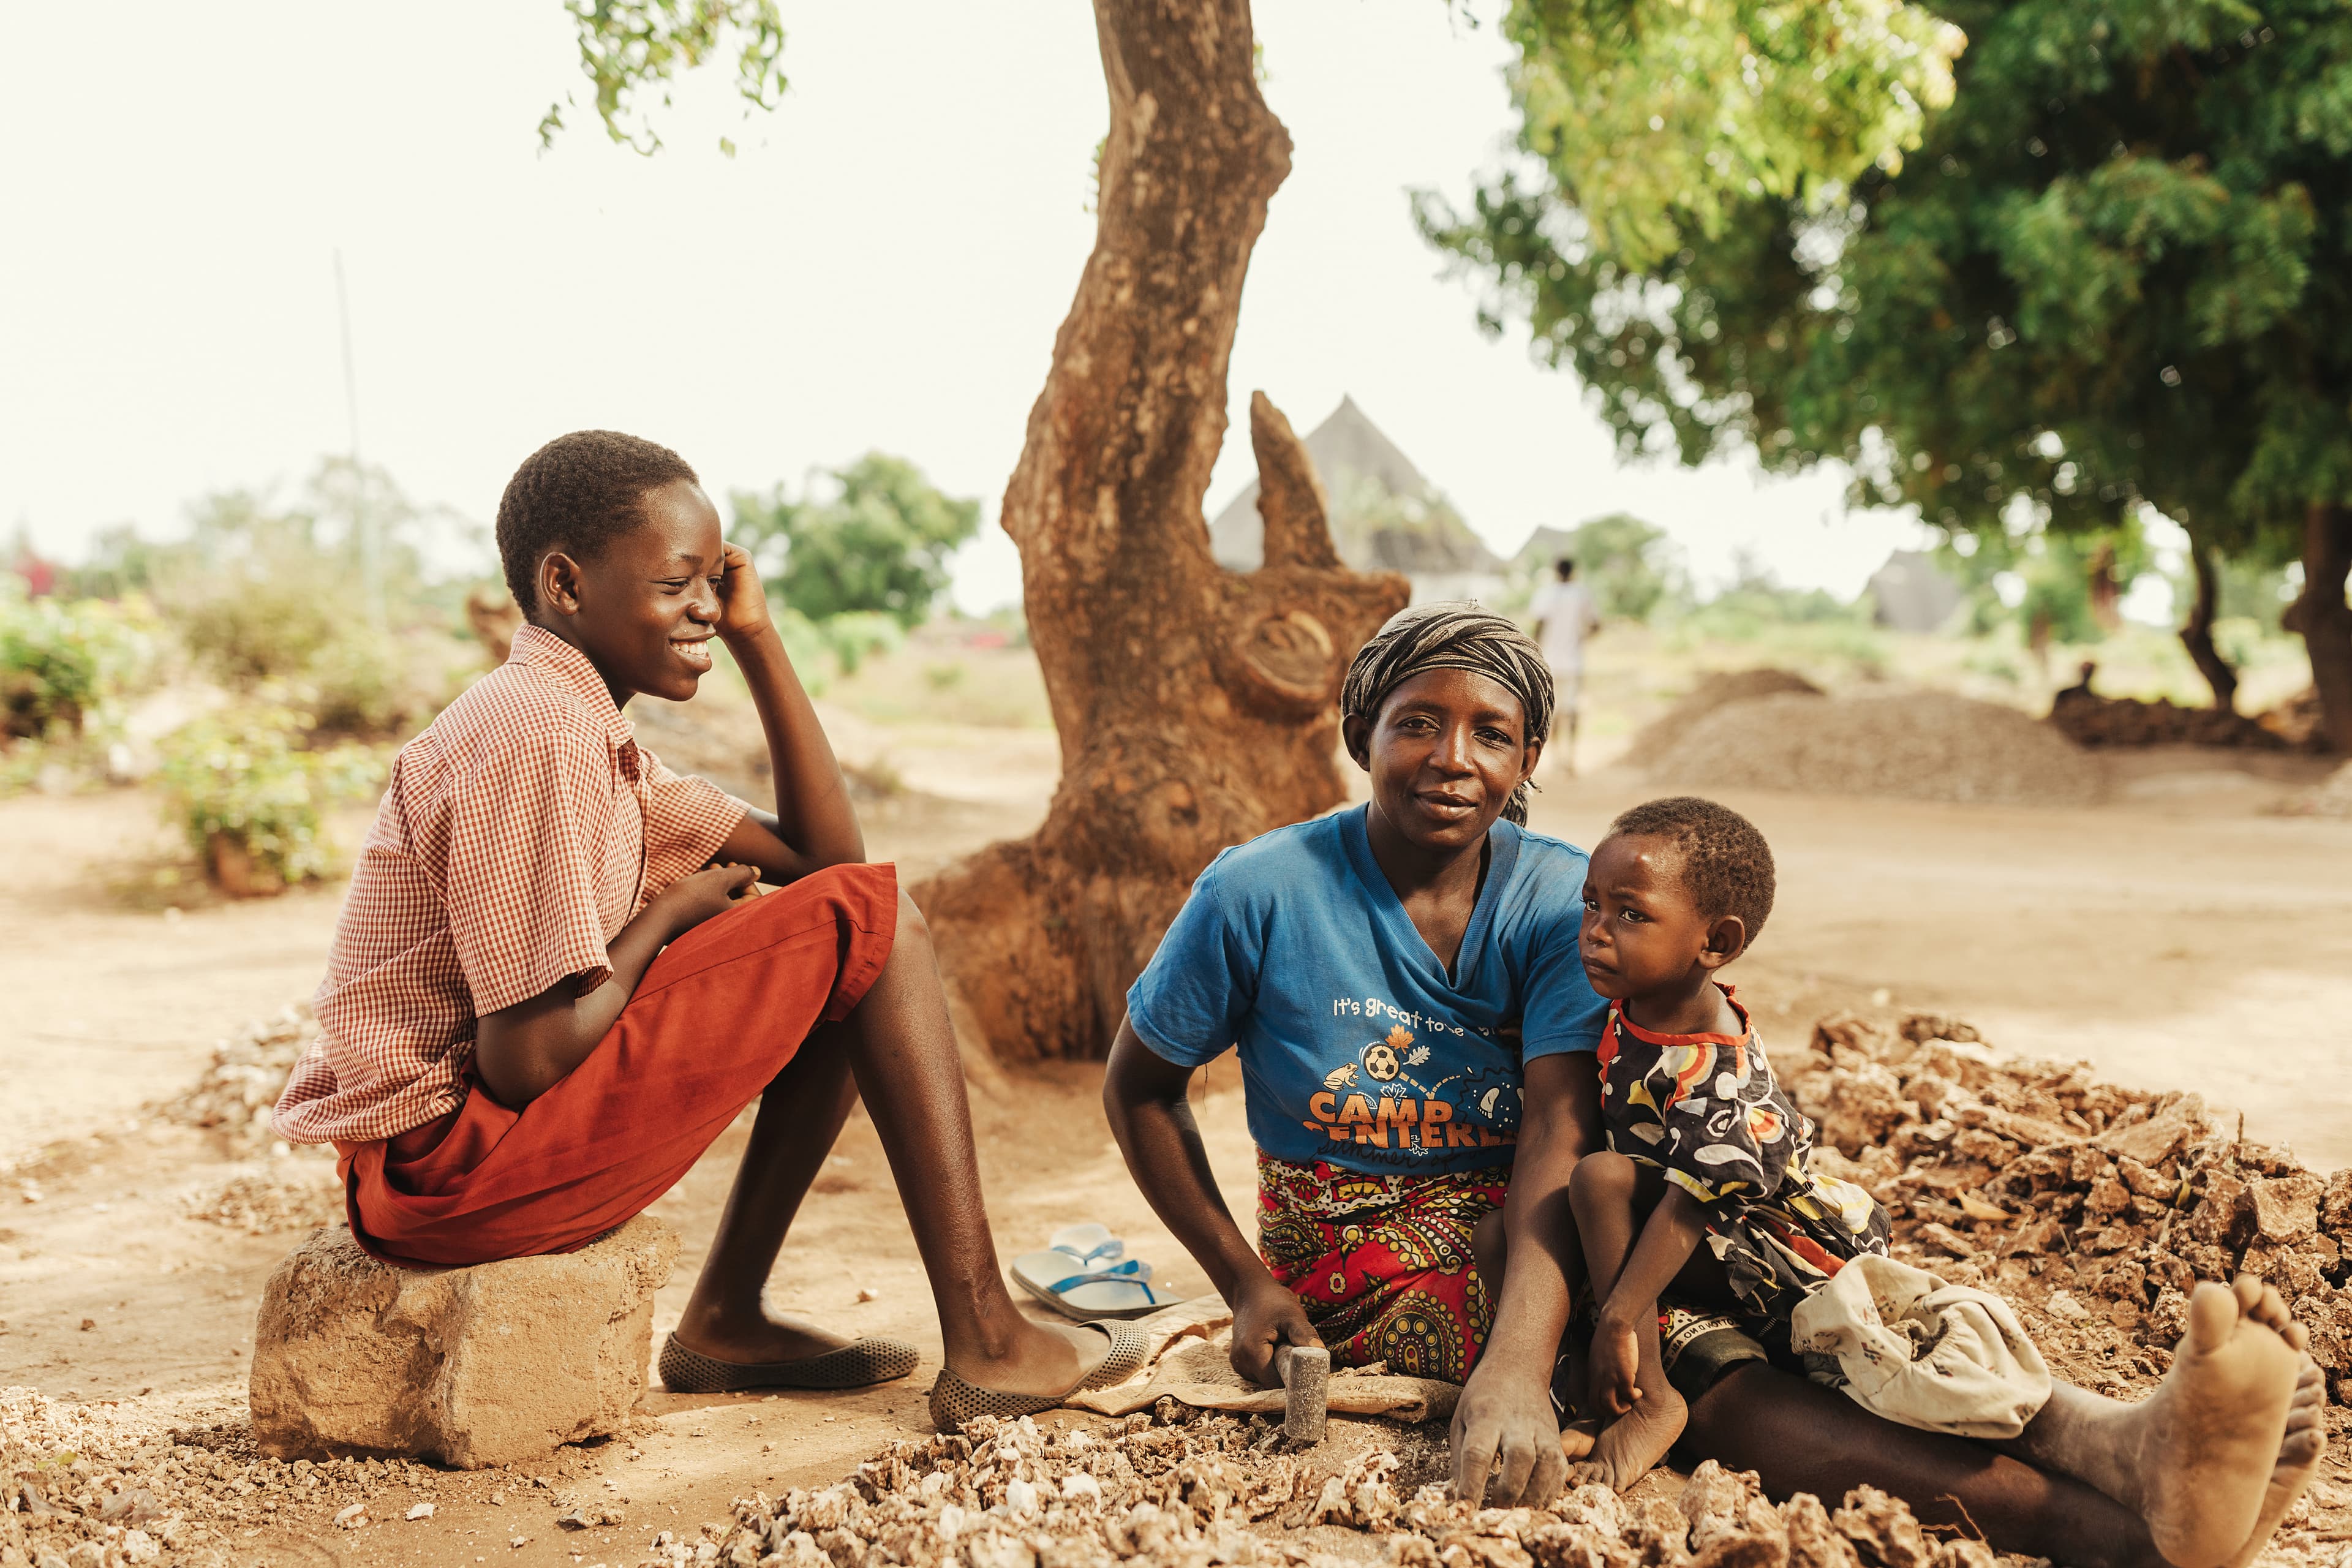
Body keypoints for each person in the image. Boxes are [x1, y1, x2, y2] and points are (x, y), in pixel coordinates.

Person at [271, 429, 1141, 1430]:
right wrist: (671, 920)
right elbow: (525, 1061)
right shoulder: (537, 735)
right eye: (680, 582)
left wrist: (760, 643)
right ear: (565, 583)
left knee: (851, 933)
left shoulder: (595, 737)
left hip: (466, 1156)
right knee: (877, 926)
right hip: (452, 1169)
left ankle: (725, 1320)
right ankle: (990, 1339)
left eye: (717, 584)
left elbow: (830, 860)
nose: (708, 609)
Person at [1102, 603, 1611, 1417]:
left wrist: (1516, 1363)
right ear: (1358, 734)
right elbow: (1139, 1088)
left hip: (1536, 1229)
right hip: (1343, 1268)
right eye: (1418, 724)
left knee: (1684, 1309)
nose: (1453, 760)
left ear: (1528, 758)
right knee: (1634, 1358)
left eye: (1491, 735)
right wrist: (1243, 1284)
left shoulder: (1561, 901)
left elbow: (1559, 1126)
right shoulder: (1258, 892)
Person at [1528, 558, 1600, 772]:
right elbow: (1596, 625)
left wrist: (1535, 652)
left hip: (1550, 661)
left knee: (1552, 711)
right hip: (1574, 662)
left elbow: (1539, 625)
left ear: (1555, 571)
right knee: (1572, 711)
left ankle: (1556, 758)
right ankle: (1571, 757)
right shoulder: (1582, 594)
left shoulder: (1546, 593)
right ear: (1574, 571)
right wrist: (1580, 639)